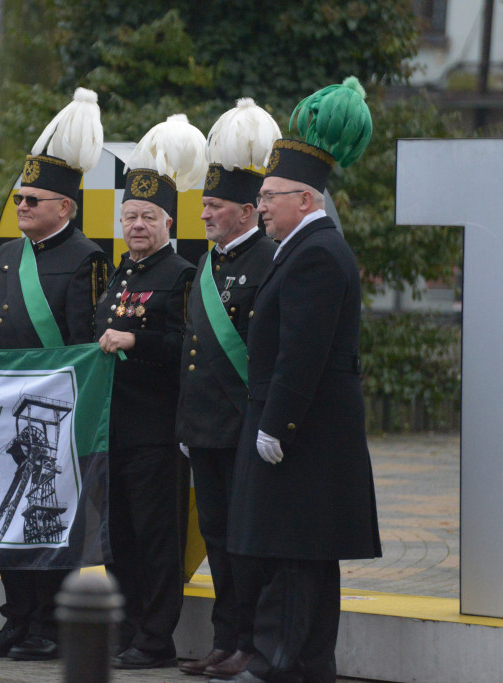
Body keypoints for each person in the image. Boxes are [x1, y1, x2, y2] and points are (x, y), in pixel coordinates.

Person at [219, 78, 381, 683]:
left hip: (303, 433)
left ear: (306, 200)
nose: (260, 205)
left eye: (270, 195)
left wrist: (275, 425)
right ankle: (306, 661)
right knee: (302, 554)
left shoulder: (315, 252)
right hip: (307, 430)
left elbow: (302, 354)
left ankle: (279, 662)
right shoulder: (304, 246)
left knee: (290, 554)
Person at [0, 87, 109, 662]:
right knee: (8, 524)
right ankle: (17, 618)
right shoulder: (4, 255)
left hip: (54, 413)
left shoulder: (87, 258)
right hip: (2, 408)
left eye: (33, 199)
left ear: (66, 208)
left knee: (49, 520)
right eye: (19, 198)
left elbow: (82, 346)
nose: (21, 207)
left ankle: (49, 624)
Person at [174, 99, 280, 678]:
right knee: (217, 536)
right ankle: (225, 639)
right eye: (203, 204)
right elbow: (196, 352)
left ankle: (251, 643)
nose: (205, 214)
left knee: (246, 542)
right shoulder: (206, 265)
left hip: (244, 428)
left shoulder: (268, 262)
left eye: (214, 206)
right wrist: (188, 426)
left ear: (247, 210)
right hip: (206, 429)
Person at [94, 114, 204, 670]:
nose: (137, 226)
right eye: (129, 216)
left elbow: (186, 347)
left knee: (158, 539)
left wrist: (134, 339)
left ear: (168, 221)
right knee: (121, 539)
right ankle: (127, 627)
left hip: (157, 431)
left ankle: (156, 638)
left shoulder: (184, 274)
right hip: (112, 429)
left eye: (148, 217)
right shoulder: (120, 275)